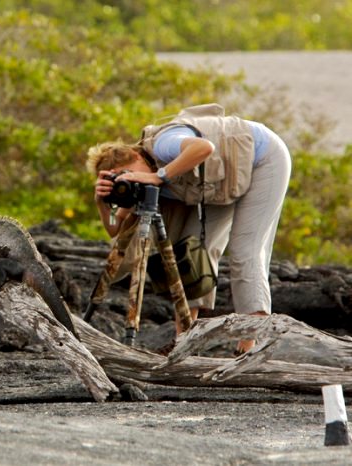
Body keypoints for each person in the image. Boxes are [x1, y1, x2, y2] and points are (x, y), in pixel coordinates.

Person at [86, 103, 291, 354]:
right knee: (191, 250)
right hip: (221, 180)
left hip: (262, 158)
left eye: (127, 174)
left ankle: (250, 346)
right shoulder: (139, 182)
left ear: (137, 156)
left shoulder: (164, 144)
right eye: (119, 179)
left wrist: (159, 177)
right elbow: (114, 230)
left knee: (245, 251)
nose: (127, 181)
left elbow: (204, 147)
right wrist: (103, 202)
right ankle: (185, 340)